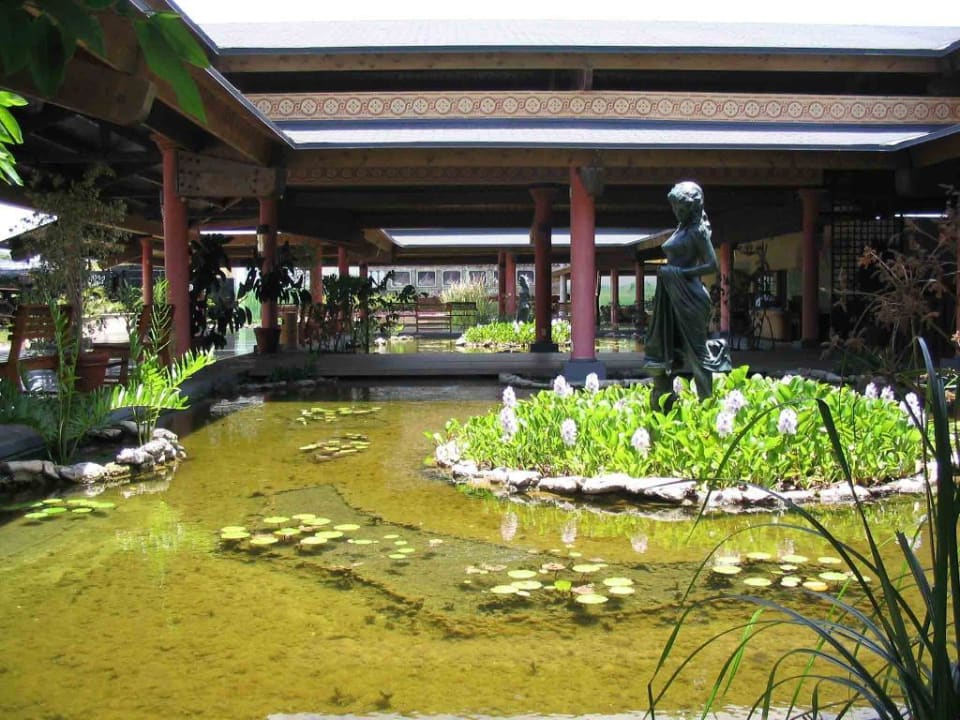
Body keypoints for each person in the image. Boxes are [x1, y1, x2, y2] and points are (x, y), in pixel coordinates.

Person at [644, 181, 731, 400]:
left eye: (681, 208)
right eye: (674, 207)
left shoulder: (697, 231)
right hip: (673, 292)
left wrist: (679, 273)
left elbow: (711, 265)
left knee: (697, 354)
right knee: (668, 345)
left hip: (690, 296)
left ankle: (707, 404)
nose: (677, 211)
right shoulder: (681, 228)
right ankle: (666, 397)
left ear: (692, 209)